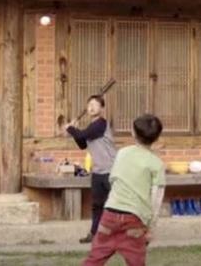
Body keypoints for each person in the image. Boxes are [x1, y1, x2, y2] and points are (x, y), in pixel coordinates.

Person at [83, 114, 165, 266]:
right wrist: (150, 226)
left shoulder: (122, 153)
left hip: (110, 214)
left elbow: (113, 179)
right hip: (134, 218)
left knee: (94, 259)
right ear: (157, 138)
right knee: (136, 262)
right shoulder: (157, 164)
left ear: (133, 133)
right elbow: (156, 198)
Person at [65, 94, 116, 244]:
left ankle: (124, 235)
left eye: (95, 104)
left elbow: (82, 134)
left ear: (102, 108)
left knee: (116, 204)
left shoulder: (101, 124)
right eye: (89, 105)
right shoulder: (91, 128)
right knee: (97, 205)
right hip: (98, 171)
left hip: (111, 170)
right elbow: (82, 143)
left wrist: (71, 128)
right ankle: (94, 234)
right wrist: (74, 130)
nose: (92, 107)